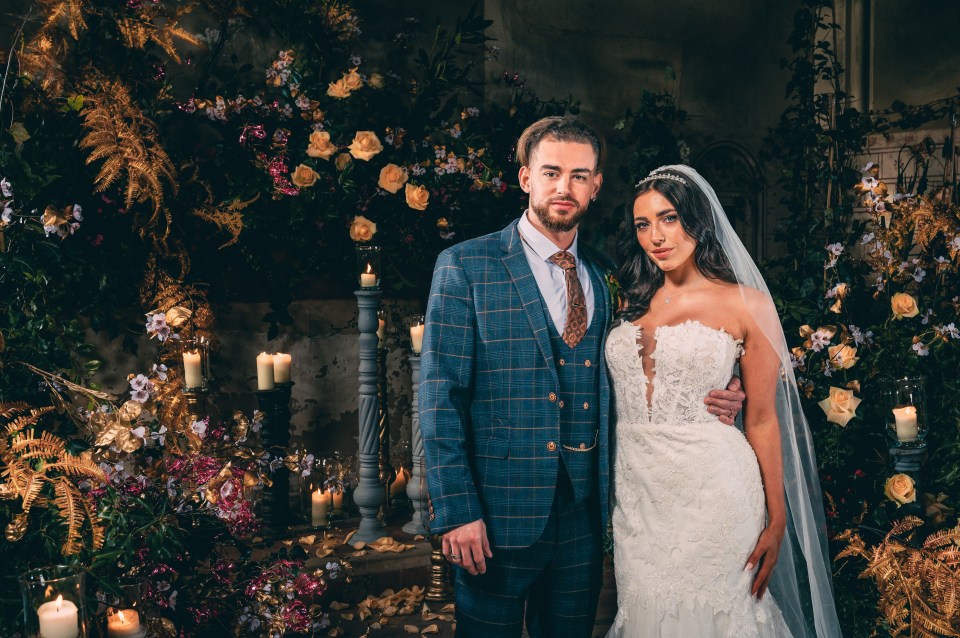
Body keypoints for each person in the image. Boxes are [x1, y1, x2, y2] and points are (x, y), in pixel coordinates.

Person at [419, 118, 745, 637]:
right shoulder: (466, 266)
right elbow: (440, 399)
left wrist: (726, 390)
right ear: (526, 178)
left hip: (584, 521)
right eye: (551, 172)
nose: (563, 188)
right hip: (496, 516)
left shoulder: (609, 275)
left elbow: (647, 370)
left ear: (596, 185)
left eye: (579, 175)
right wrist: (456, 511)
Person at [604, 165, 841, 638]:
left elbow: (763, 418)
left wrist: (777, 520)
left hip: (716, 493)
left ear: (697, 220)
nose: (656, 236)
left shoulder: (747, 304)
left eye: (669, 218)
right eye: (643, 224)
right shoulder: (627, 299)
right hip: (639, 500)